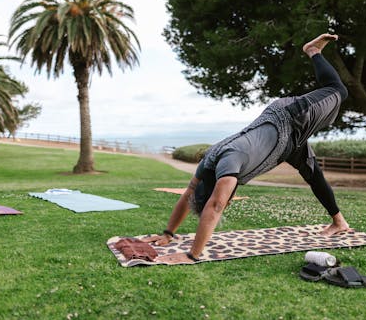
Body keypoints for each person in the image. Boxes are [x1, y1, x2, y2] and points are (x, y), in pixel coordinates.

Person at [147, 33, 351, 264]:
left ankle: (312, 51)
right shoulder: (206, 167)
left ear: (215, 188)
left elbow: (215, 205)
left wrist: (192, 255)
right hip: (284, 146)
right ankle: (339, 222)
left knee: (338, 90)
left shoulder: (228, 163)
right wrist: (168, 234)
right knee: (314, 175)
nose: (228, 202)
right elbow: (188, 195)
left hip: (290, 117)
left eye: (227, 201)